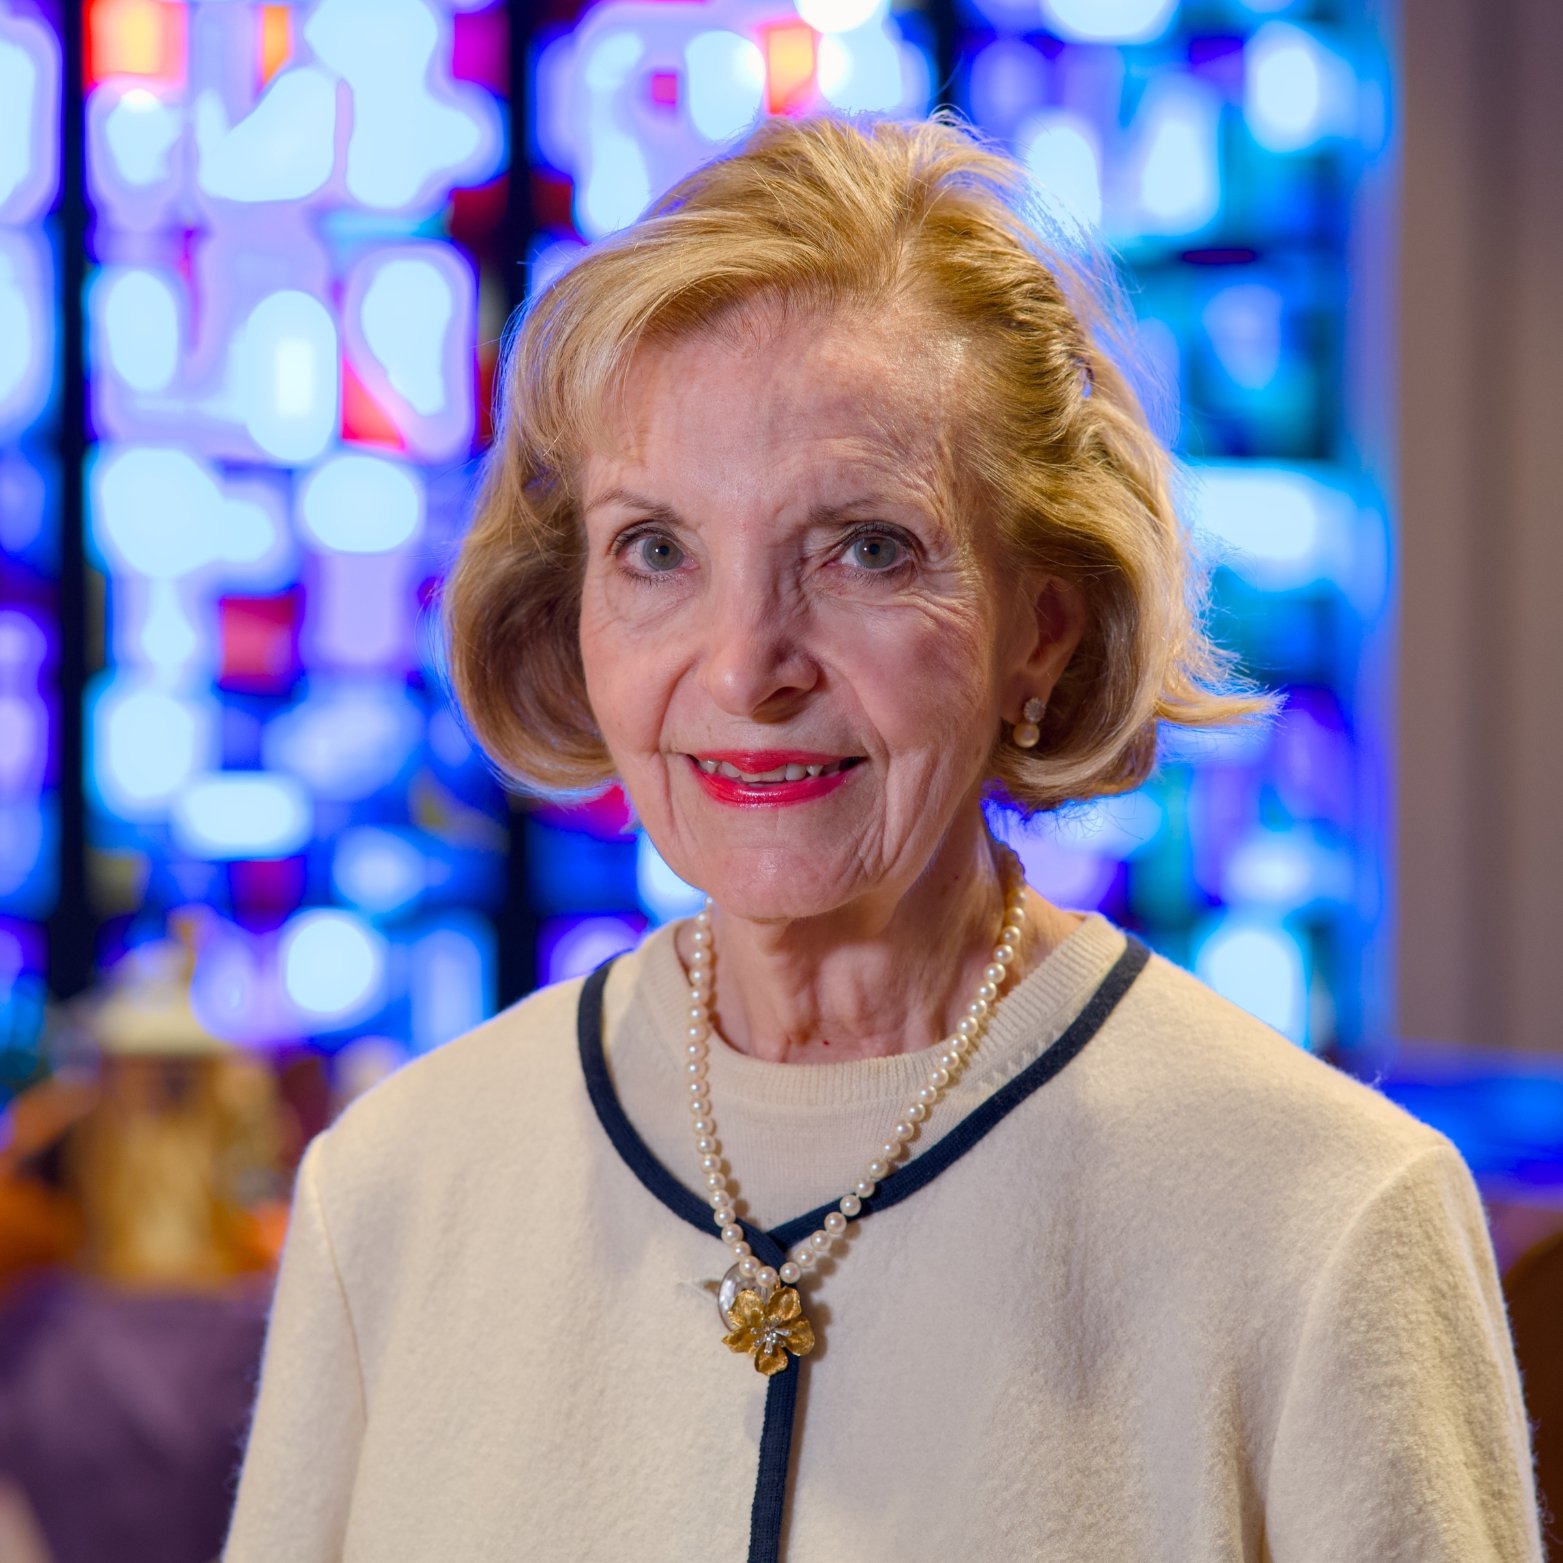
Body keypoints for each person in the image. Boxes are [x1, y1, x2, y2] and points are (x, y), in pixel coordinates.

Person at [223, 113, 1543, 1562]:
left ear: (1040, 627)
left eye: (867, 547)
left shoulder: (1325, 1219)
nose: (745, 669)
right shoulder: (398, 1192)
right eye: (656, 550)